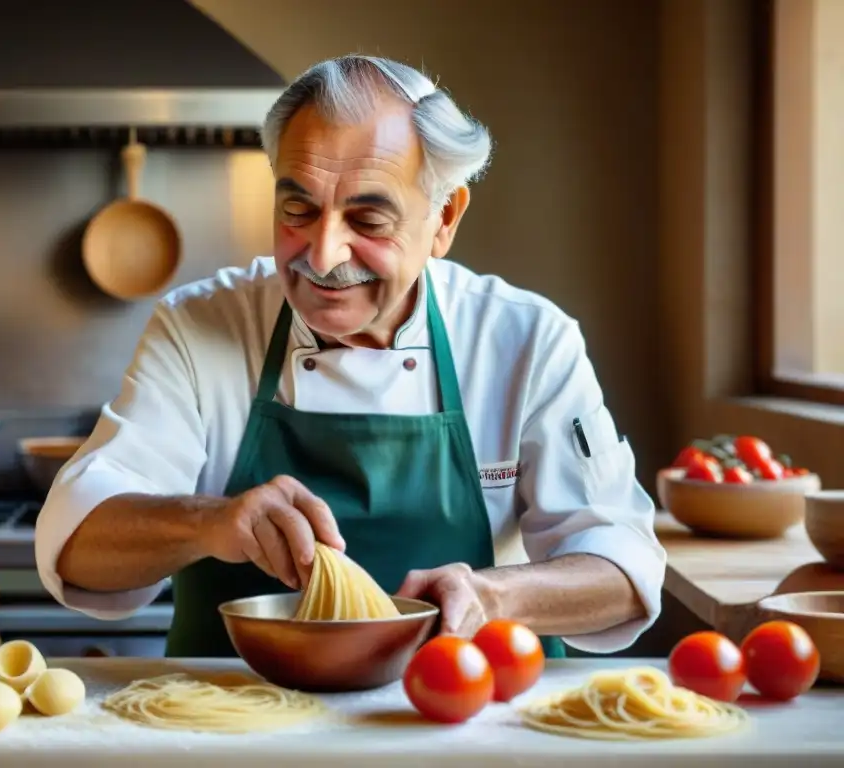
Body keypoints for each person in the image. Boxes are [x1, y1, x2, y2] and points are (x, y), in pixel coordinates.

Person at [34, 54, 666, 660]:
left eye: (367, 219)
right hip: (232, 717)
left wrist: (494, 594)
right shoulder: (200, 327)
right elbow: (76, 544)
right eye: (297, 209)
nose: (323, 254)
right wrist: (209, 521)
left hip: (464, 717)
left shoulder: (525, 341)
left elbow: (623, 567)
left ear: (444, 217)